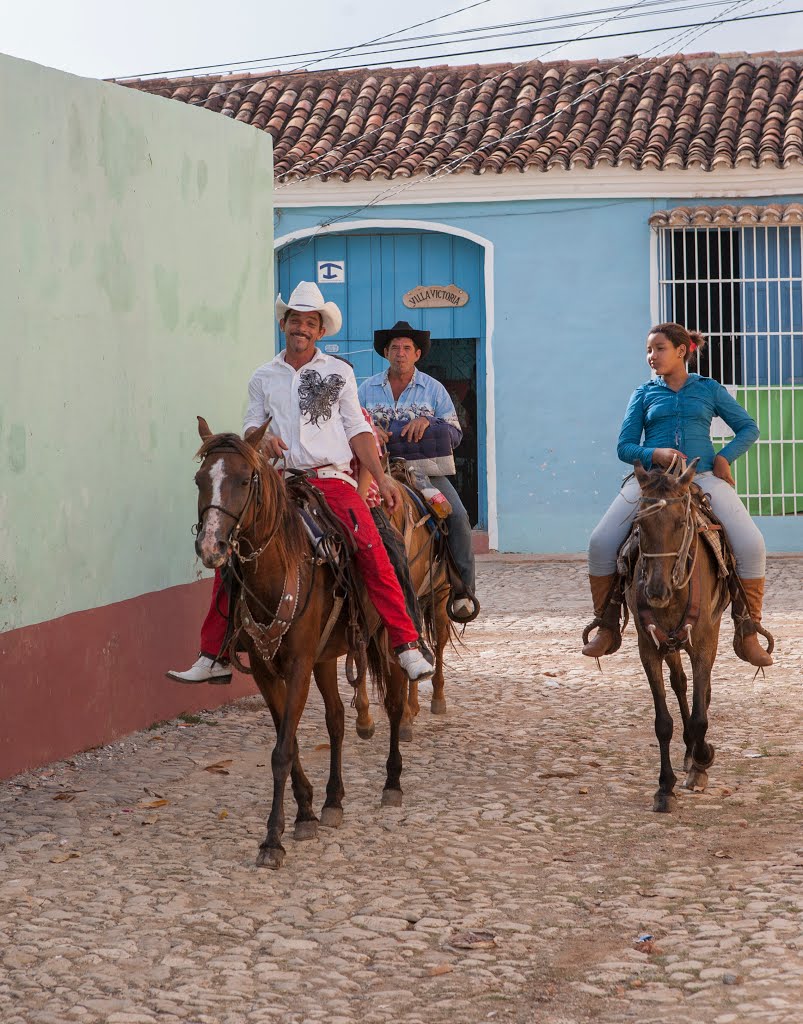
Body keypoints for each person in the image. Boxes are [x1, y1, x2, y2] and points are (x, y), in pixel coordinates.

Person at [167, 283, 433, 684]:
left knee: (372, 547)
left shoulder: (338, 372)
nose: (302, 328)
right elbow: (251, 428)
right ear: (284, 324)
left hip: (331, 479)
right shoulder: (263, 377)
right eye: (295, 320)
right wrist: (265, 442)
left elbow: (358, 429)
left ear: (320, 330)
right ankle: (215, 653)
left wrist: (381, 478)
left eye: (310, 322)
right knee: (233, 555)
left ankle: (405, 643)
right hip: (280, 482)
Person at [582, 322, 772, 668]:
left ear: (682, 351)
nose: (651, 356)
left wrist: (723, 457)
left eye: (659, 349)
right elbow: (625, 447)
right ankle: (607, 624)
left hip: (702, 479)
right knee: (600, 542)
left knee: (751, 544)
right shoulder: (643, 393)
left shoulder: (709, 389)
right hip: (652, 483)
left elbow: (749, 427)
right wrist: (656, 455)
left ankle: (747, 630)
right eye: (649, 350)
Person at [358, 320, 478, 620]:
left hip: (424, 472)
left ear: (417, 354)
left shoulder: (433, 390)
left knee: (458, 516)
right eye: (395, 348)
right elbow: (350, 425)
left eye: (407, 348)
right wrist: (370, 430)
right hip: (377, 470)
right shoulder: (366, 388)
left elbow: (455, 432)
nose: (400, 353)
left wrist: (430, 422)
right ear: (386, 352)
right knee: (347, 514)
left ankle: (463, 590)